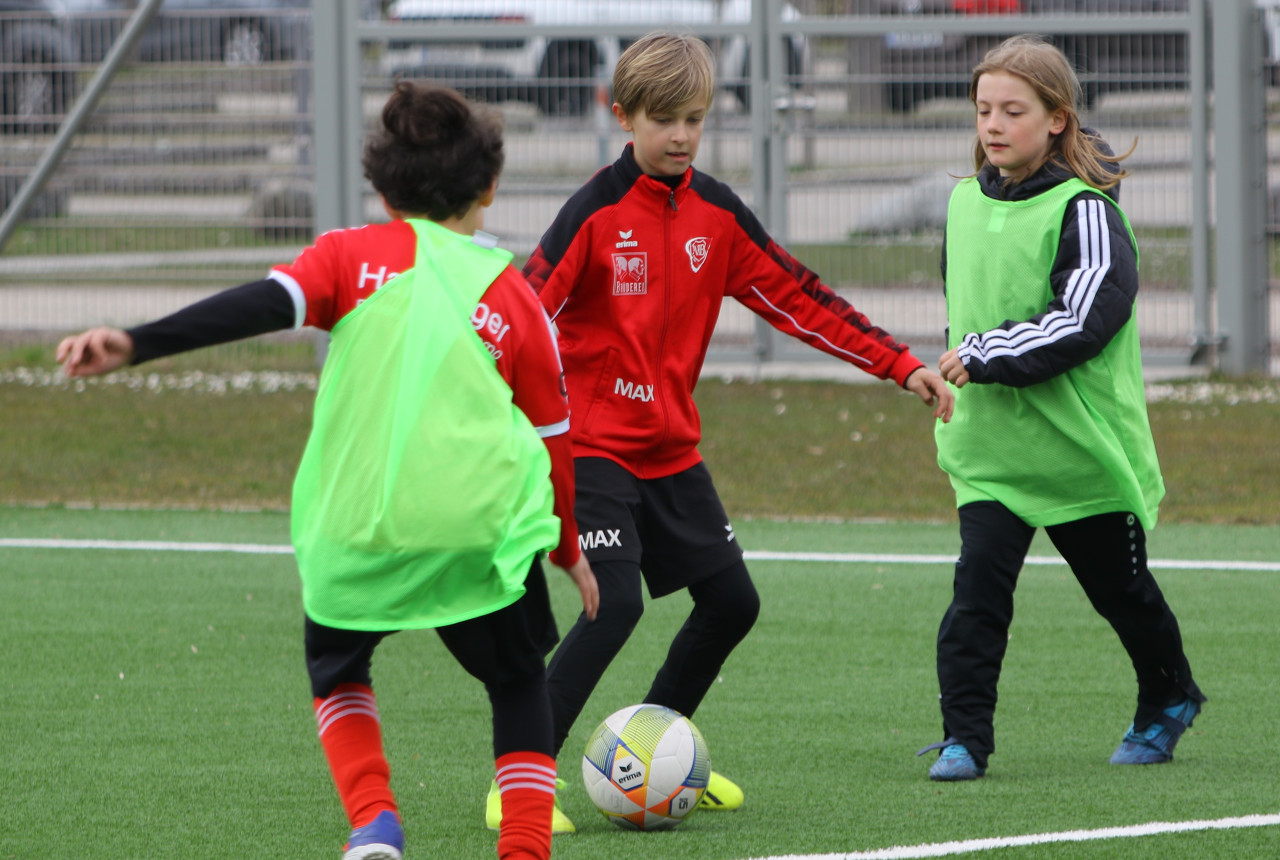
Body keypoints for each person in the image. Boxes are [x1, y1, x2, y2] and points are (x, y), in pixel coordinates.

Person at [57, 80, 598, 860]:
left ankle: (374, 823)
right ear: (489, 188)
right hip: (472, 533)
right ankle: (523, 851)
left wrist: (138, 342)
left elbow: (259, 303)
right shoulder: (512, 296)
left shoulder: (349, 256)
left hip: (353, 528)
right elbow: (553, 440)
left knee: (339, 672)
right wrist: (567, 547)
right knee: (516, 683)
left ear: (382, 191)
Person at [484, 31, 954, 831]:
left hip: (670, 450)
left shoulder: (717, 213)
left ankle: (653, 756)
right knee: (613, 604)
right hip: (591, 446)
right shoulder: (593, 213)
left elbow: (799, 297)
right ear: (623, 115)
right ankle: (520, 780)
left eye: (695, 119)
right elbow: (522, 314)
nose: (681, 136)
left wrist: (899, 364)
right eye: (663, 120)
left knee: (732, 603)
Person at [917, 34, 1205, 783]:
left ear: (1057, 119)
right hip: (991, 454)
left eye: (1013, 110)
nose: (993, 124)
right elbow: (964, 305)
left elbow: (1082, 320)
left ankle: (1169, 696)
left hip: (1081, 454)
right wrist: (956, 363)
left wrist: (984, 352)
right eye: (984, 108)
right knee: (976, 599)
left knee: (1123, 597)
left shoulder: (1087, 212)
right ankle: (964, 738)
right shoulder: (962, 201)